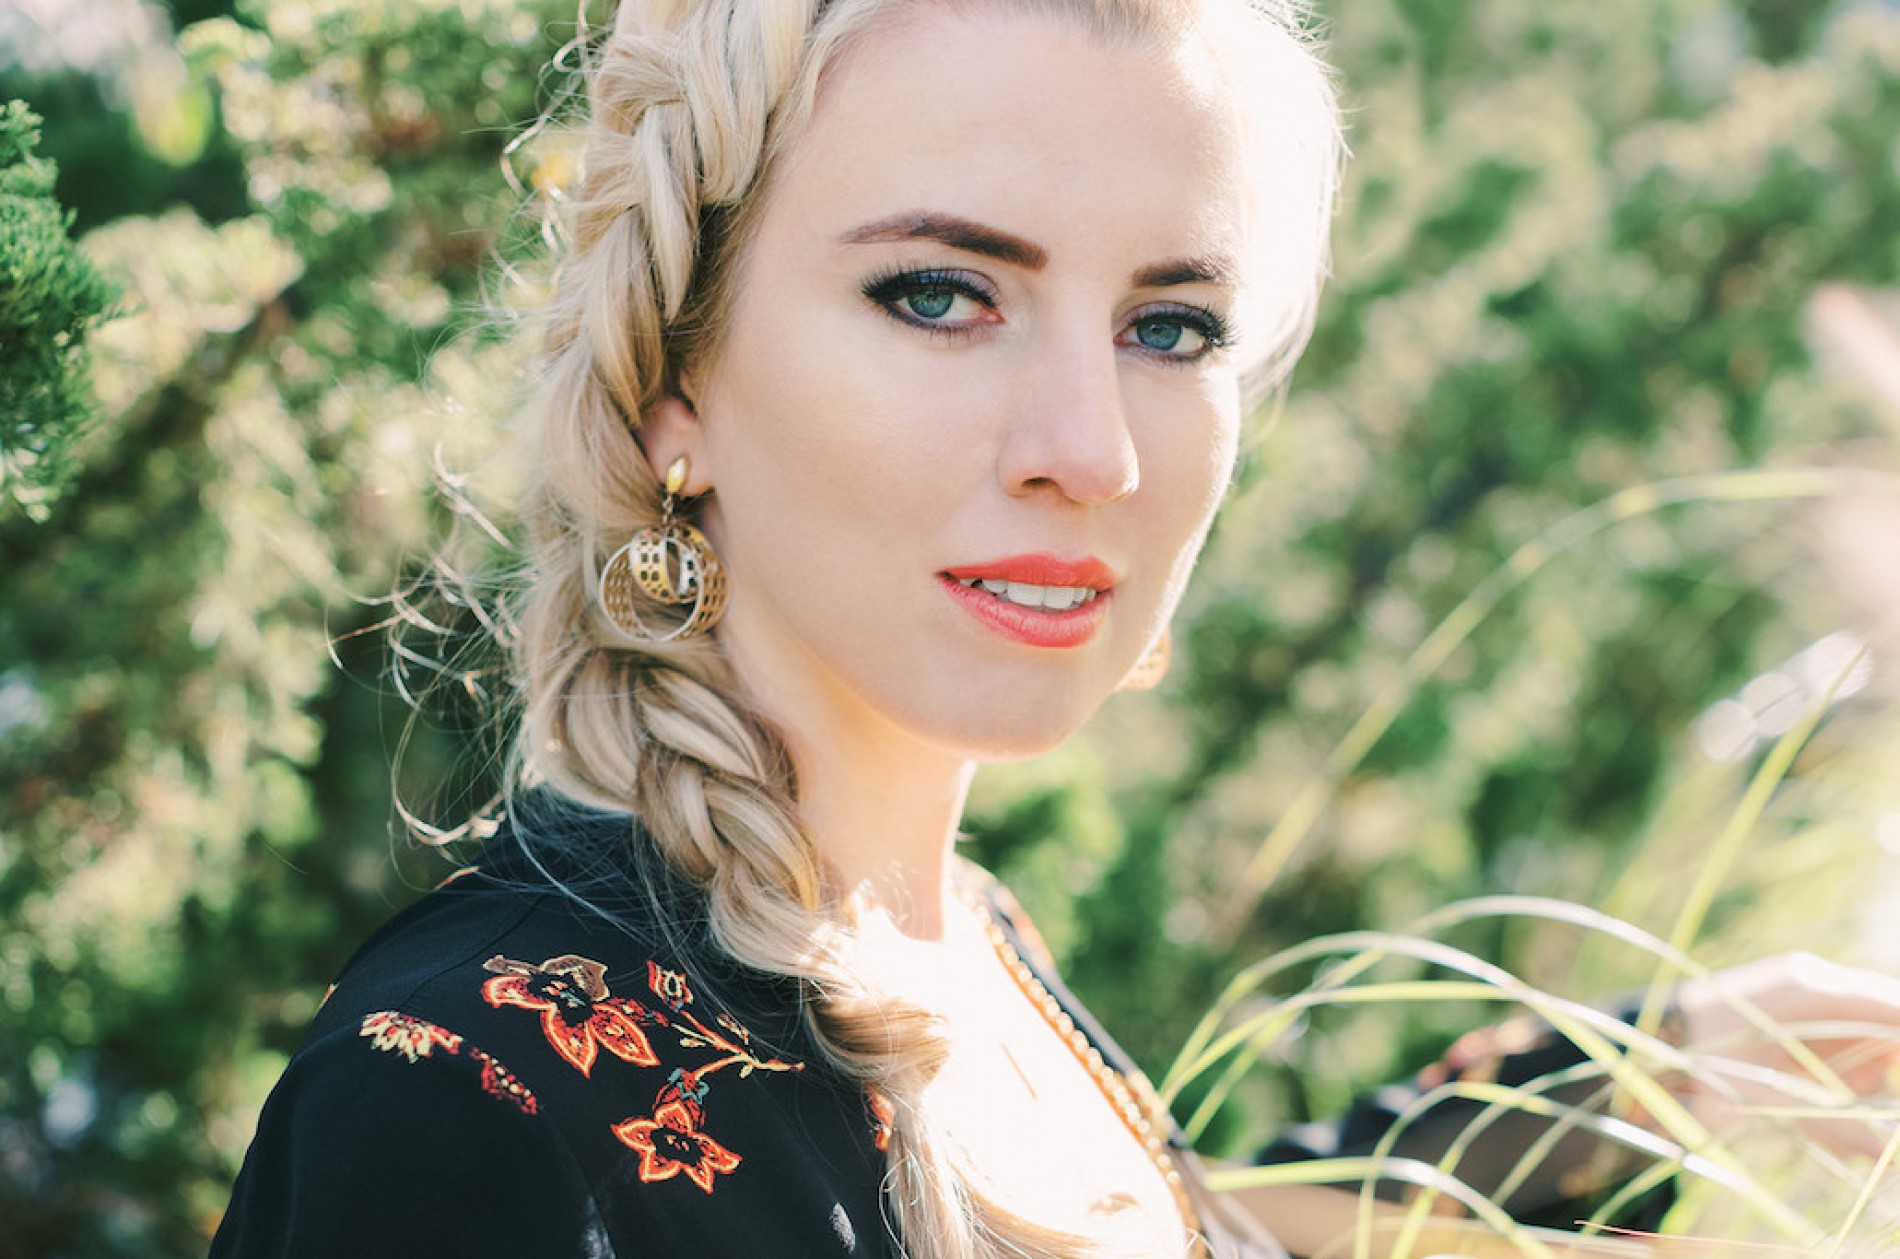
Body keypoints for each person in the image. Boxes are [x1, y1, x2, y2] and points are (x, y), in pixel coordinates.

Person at [209, 0, 1900, 1255]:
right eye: (940, 296)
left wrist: (1639, 1081)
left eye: (1171, 328)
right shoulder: (475, 1095)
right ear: (675, 385)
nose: (1088, 452)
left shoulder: (968, 948)